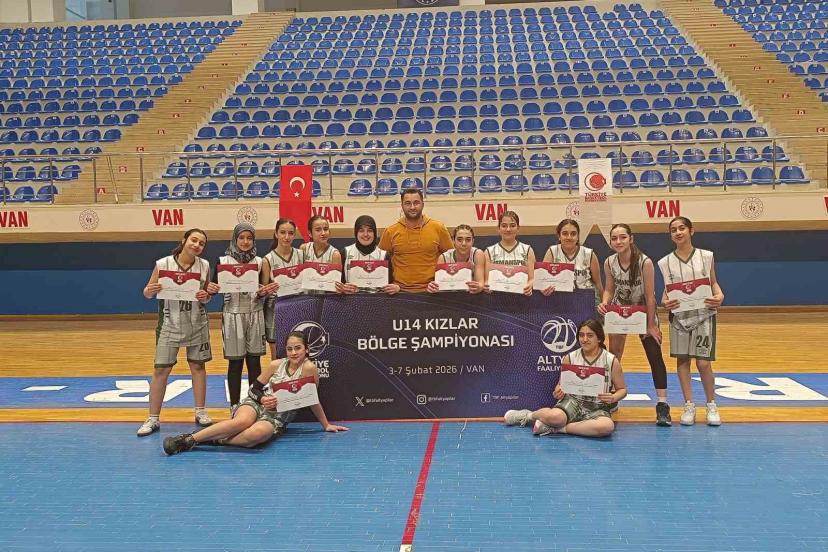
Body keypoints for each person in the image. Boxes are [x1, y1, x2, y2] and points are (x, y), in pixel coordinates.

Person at [163, 331, 348, 454]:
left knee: (255, 436)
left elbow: (312, 399)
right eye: (289, 349)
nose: (293, 352)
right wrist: (263, 398)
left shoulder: (310, 369)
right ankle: (187, 439)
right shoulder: (276, 365)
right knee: (242, 422)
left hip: (276, 418)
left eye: (298, 348)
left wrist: (325, 425)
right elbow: (254, 389)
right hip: (256, 405)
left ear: (307, 349)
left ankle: (215, 440)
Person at [137, 228, 219, 437]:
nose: (197, 245)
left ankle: (200, 411)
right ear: (184, 240)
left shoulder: (204, 265)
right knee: (161, 371)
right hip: (170, 324)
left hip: (197, 322)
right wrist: (150, 290)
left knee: (198, 367)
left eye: (201, 243)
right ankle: (153, 418)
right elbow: (147, 292)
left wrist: (206, 296)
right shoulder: (163, 264)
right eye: (194, 240)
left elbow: (206, 296)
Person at [598, 223, 672, 426]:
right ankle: (611, 398)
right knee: (614, 356)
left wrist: (651, 325)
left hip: (643, 311)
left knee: (654, 354)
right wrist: (604, 302)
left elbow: (650, 296)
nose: (618, 241)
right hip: (619, 311)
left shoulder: (644, 262)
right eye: (614, 238)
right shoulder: (609, 262)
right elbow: (609, 289)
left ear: (631, 239)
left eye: (623, 237)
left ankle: (662, 404)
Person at [504, 319, 626, 437]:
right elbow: (560, 384)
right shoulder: (570, 357)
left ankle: (558, 429)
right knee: (555, 417)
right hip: (573, 402)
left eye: (590, 336)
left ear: (599, 338)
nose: (584, 339)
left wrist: (614, 397)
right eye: (581, 335)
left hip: (598, 406)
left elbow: (622, 390)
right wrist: (558, 391)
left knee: (606, 427)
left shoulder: (611, 361)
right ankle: (527, 416)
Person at [658, 216, 725, 426]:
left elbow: (713, 283)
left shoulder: (706, 256)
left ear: (691, 231)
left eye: (682, 228)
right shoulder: (665, 262)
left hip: (704, 313)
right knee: (683, 361)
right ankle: (689, 405)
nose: (678, 232)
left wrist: (720, 295)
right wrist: (664, 302)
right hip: (679, 316)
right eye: (673, 230)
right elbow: (666, 292)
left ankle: (711, 404)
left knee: (703, 363)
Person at [215, 223, 278, 411]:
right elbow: (213, 287)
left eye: (249, 238)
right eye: (241, 238)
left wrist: (263, 292)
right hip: (232, 314)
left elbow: (263, 289)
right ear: (235, 239)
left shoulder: (260, 262)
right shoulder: (223, 261)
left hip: (255, 313)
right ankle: (234, 405)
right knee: (235, 363)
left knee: (254, 362)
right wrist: (210, 289)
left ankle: (254, 403)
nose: (245, 241)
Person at [378, 187, 453, 292]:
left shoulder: (438, 228)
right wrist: (390, 284)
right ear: (402, 206)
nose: (412, 207)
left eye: (416, 203)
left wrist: (441, 283)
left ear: (423, 204)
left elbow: (451, 258)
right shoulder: (390, 231)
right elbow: (380, 263)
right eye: (408, 203)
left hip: (432, 292)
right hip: (399, 292)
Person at [261, 218, 304, 360]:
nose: (287, 237)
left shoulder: (301, 255)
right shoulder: (267, 259)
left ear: (294, 235)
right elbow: (263, 290)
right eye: (283, 232)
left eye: (290, 233)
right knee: (277, 354)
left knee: (298, 349)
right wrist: (267, 289)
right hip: (275, 308)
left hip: (297, 306)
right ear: (276, 234)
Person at [541, 219, 603, 315]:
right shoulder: (552, 251)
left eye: (573, 234)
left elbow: (598, 283)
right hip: (561, 300)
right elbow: (543, 281)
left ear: (578, 236)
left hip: (586, 299)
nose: (569, 237)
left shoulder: (589, 253)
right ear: (559, 236)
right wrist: (544, 289)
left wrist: (602, 305)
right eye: (565, 233)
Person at [339, 214, 400, 295]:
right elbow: (338, 284)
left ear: (374, 233)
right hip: (351, 300)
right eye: (361, 231)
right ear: (356, 233)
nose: (365, 234)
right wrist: (342, 288)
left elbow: (390, 284)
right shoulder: (345, 253)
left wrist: (395, 288)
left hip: (378, 300)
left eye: (370, 231)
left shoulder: (384, 255)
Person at [483, 210, 535, 296]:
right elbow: (486, 280)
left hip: (521, 298)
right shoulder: (489, 251)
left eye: (512, 226)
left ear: (518, 228)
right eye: (504, 226)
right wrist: (487, 286)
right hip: (496, 298)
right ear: (498, 228)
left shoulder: (528, 250)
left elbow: (532, 279)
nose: (508, 229)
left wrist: (530, 285)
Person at [426, 224, 485, 293]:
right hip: (450, 296)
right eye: (459, 239)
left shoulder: (478, 254)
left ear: (473, 241)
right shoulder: (444, 257)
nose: (464, 243)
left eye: (468, 240)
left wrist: (479, 287)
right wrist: (433, 287)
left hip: (472, 295)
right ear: (453, 241)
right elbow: (439, 287)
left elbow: (480, 283)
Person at [301, 215, 344, 295]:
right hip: (305, 297)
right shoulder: (304, 248)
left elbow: (336, 288)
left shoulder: (335, 254)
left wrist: (339, 288)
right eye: (318, 230)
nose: (323, 233)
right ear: (310, 233)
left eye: (326, 229)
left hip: (326, 299)